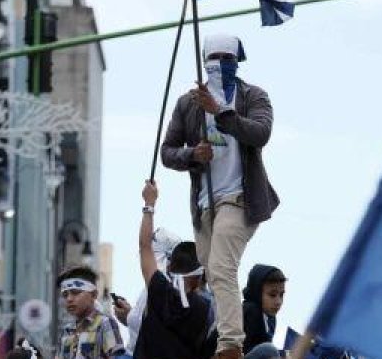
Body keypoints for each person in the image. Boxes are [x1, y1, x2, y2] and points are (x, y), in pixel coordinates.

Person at [161, 34, 279, 359]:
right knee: (212, 272)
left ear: (238, 62)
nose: (220, 65)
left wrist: (222, 112)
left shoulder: (253, 96)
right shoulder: (188, 104)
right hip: (204, 205)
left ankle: (230, 345)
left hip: (241, 199)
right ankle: (221, 339)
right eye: (214, 59)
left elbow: (260, 133)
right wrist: (191, 155)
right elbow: (167, 152)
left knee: (222, 267)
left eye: (228, 58)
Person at [132, 180, 216, 359]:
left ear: (169, 267)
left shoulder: (159, 290)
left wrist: (149, 204)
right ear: (201, 275)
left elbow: (145, 246)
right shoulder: (206, 308)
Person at [112, 226, 183, 354]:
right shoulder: (150, 290)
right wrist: (129, 315)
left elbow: (158, 334)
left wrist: (128, 316)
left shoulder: (166, 290)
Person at [56, 265, 126, 359]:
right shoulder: (66, 331)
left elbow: (117, 357)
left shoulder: (104, 323)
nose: (69, 299)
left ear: (94, 295)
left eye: (75, 292)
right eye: (65, 295)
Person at [242, 265, 286, 358]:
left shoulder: (270, 317)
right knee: (269, 350)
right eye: (272, 295)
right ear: (257, 292)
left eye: (281, 295)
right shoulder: (250, 310)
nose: (278, 302)